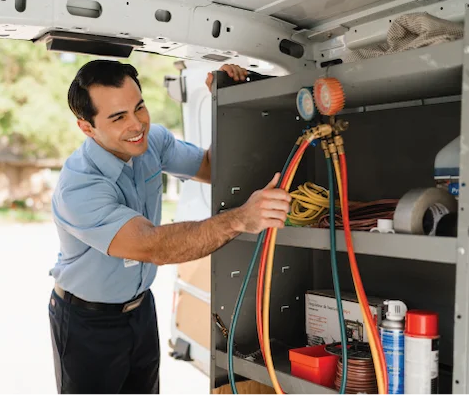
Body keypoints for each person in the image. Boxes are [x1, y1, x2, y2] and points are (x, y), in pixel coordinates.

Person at [48, 60, 292, 395]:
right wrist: (240, 218)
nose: (137, 125)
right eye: (118, 117)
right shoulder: (79, 186)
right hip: (87, 323)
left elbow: (212, 167)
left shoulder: (153, 142)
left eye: (140, 107)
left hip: (141, 309)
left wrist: (228, 102)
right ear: (87, 127)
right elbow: (152, 246)